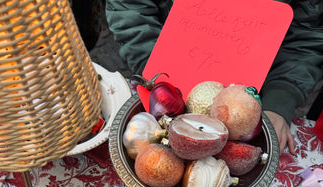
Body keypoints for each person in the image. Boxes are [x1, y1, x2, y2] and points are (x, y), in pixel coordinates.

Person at [105, 0, 323, 154]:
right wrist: (158, 74)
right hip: (166, 88)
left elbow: (306, 37)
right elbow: (130, 10)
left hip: (250, 99)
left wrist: (279, 101)